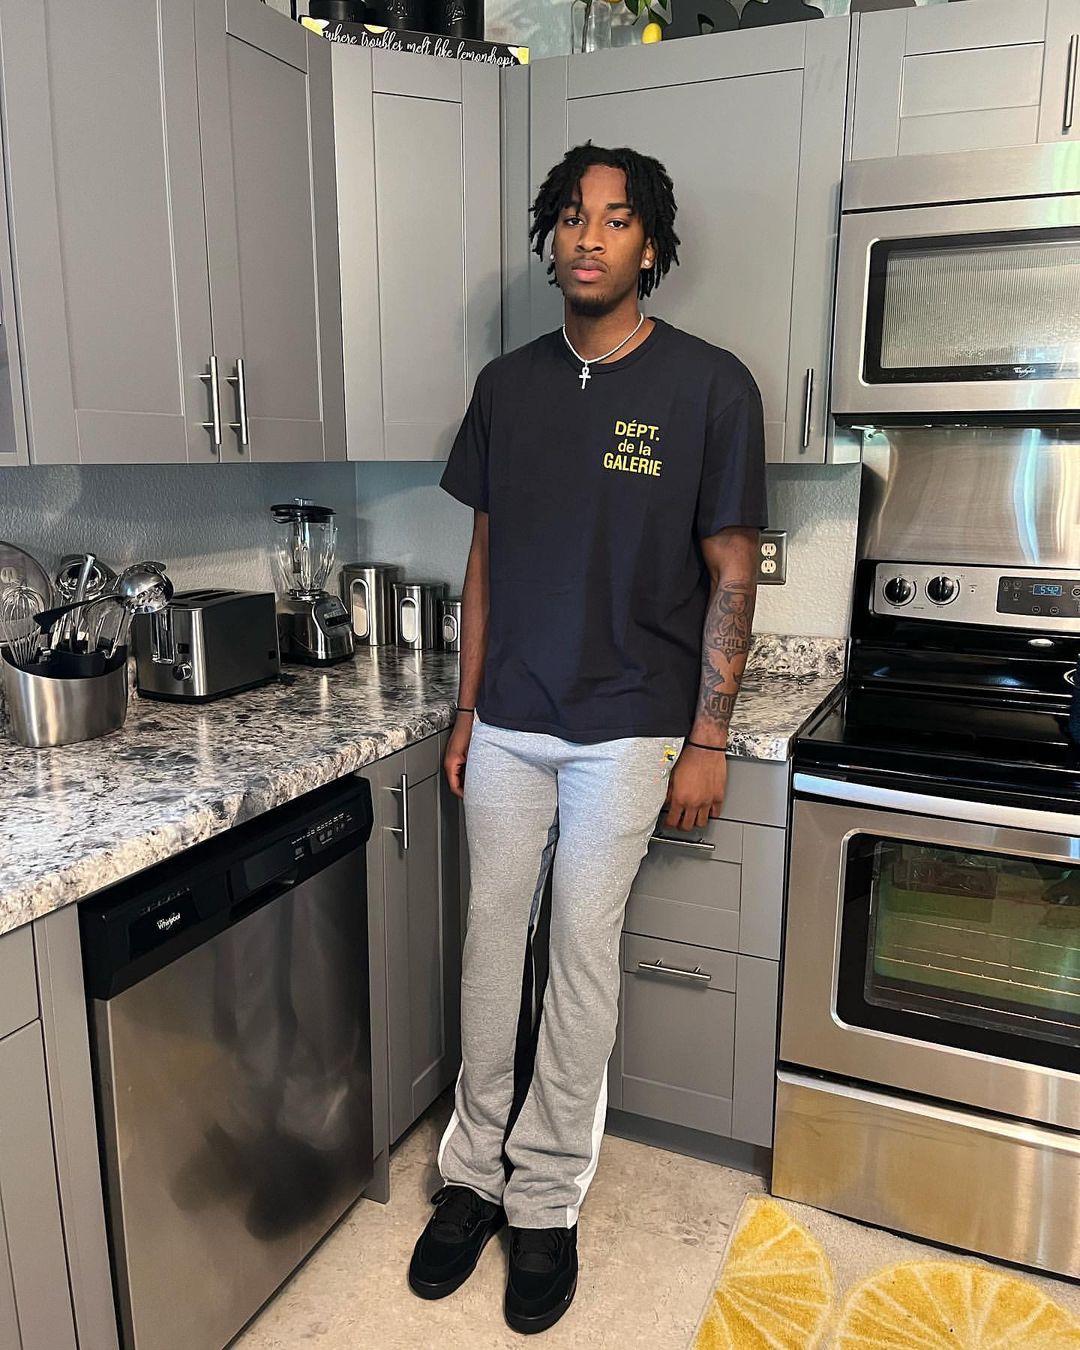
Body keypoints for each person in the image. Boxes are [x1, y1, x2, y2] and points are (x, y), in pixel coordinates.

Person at [408, 142, 767, 1335]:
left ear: (649, 246)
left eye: (615, 219)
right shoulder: (507, 386)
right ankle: (472, 1177)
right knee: (489, 947)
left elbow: (733, 572)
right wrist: (466, 711)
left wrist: (708, 735)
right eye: (571, 216)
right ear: (551, 237)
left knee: (579, 955)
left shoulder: (711, 387)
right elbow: (484, 561)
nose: (589, 237)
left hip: (630, 726)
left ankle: (547, 1199)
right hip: (509, 720)